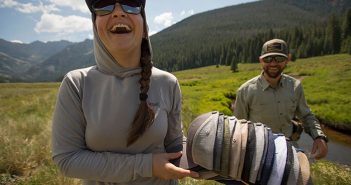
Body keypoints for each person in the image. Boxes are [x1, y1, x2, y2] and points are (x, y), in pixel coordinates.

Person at [51, 0, 199, 184]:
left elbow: (175, 145)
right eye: (104, 5)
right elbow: (67, 160)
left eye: (131, 4)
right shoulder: (76, 84)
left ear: (144, 26)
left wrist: (220, 154)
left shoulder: (167, 82)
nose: (118, 12)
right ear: (95, 26)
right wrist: (148, 166)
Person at [233, 39, 328, 160]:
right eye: (268, 59)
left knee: (304, 179)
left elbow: (306, 116)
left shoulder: (295, 86)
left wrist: (319, 137)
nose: (273, 64)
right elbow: (238, 128)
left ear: (287, 59)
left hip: (290, 148)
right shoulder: (245, 91)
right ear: (261, 60)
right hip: (258, 154)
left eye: (279, 59)